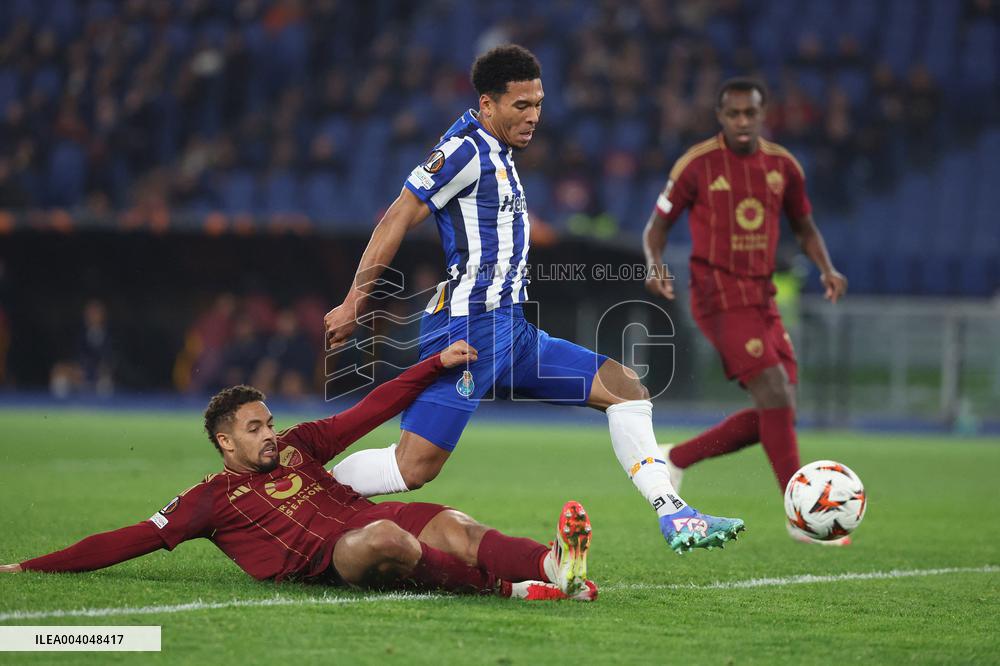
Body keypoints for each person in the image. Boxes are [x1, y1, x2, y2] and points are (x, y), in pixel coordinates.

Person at [323, 44, 743, 553]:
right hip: (467, 330)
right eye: (520, 106)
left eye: (538, 104)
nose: (533, 116)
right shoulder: (465, 150)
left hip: (513, 330)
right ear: (487, 105)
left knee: (625, 387)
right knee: (411, 467)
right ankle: (302, 497)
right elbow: (396, 217)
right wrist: (354, 302)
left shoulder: (499, 152)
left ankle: (674, 515)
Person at [0, 341, 597, 601]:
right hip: (326, 560)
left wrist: (432, 364)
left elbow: (371, 409)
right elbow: (132, 538)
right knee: (390, 539)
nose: (270, 434)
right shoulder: (210, 499)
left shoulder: (298, 446)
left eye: (268, 423)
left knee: (452, 525)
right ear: (224, 441)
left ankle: (554, 565)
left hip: (364, 518)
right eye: (255, 429)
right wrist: (32, 564)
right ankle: (513, 591)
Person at [641, 77, 850, 546]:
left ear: (763, 114)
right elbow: (656, 227)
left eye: (749, 113)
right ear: (720, 116)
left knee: (779, 409)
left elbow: (804, 225)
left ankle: (674, 458)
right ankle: (804, 516)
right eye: (732, 114)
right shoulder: (696, 165)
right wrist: (655, 265)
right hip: (717, 295)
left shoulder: (783, 167)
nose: (741, 122)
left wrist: (827, 268)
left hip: (763, 297)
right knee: (775, 392)